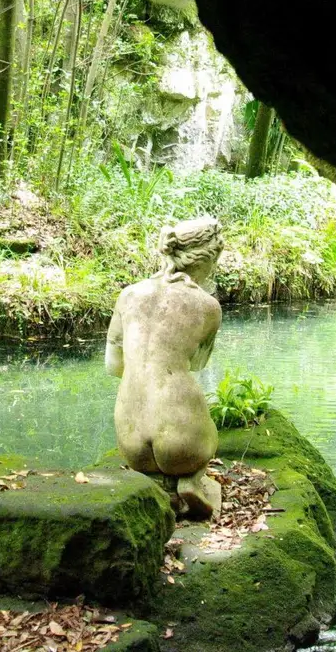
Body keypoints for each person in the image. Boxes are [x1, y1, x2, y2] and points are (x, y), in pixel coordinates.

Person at [107, 217, 224, 518]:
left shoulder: (128, 295)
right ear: (209, 258)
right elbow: (198, 364)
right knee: (208, 431)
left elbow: (113, 366)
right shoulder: (208, 306)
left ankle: (155, 482)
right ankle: (191, 481)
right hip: (183, 442)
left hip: (130, 441)